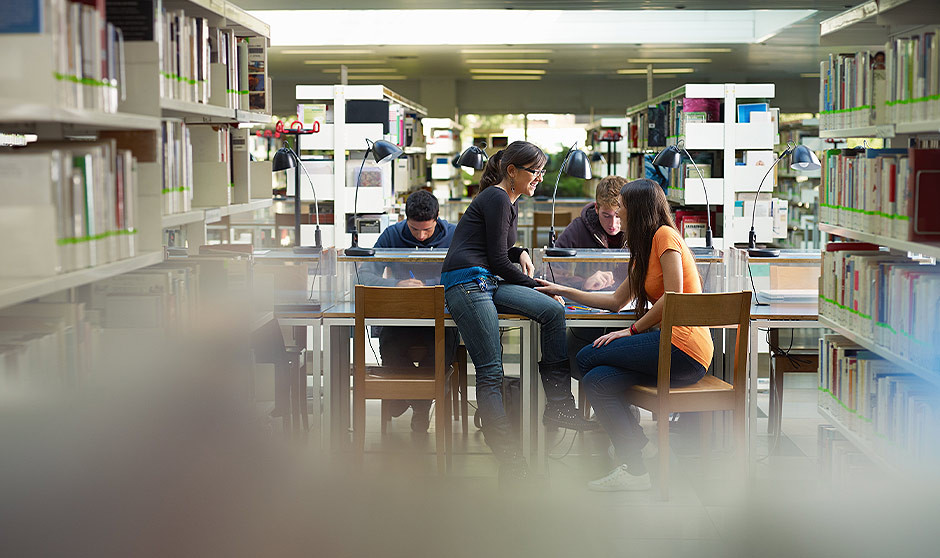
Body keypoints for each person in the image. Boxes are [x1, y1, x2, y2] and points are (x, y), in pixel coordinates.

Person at [535, 178, 713, 492]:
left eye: (623, 207)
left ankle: (641, 447)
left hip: (684, 348)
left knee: (586, 356)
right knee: (596, 380)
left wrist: (631, 330)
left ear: (639, 210)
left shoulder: (665, 236)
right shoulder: (645, 249)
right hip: (669, 347)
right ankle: (638, 465)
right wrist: (562, 289)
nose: (619, 214)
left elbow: (673, 297)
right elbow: (616, 301)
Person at [440, 141, 595, 481]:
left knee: (553, 312)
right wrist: (535, 284)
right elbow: (496, 259)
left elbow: (496, 249)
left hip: (487, 281)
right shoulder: (497, 197)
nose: (540, 177)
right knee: (490, 372)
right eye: (534, 171)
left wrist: (520, 250)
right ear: (512, 171)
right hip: (467, 283)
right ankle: (509, 458)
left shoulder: (507, 201)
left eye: (542, 172)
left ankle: (558, 405)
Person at [357, 190, 458, 432]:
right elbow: (364, 275)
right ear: (405, 220)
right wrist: (396, 285)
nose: (421, 236)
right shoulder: (392, 235)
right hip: (401, 317)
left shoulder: (454, 235)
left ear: (437, 219)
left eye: (427, 230)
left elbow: (465, 274)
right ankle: (412, 399)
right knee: (389, 345)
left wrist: (430, 285)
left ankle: (412, 402)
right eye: (414, 229)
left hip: (441, 319)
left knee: (441, 351)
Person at [552, 176, 629, 380]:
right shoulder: (579, 228)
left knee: (618, 365)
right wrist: (583, 282)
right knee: (572, 359)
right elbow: (550, 271)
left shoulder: (636, 228)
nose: (613, 224)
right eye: (606, 216)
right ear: (596, 208)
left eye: (618, 216)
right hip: (589, 317)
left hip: (628, 317)